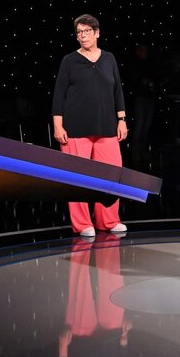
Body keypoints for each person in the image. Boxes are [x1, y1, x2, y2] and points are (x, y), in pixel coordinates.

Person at [52, 14, 128, 237]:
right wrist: (58, 126)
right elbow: (58, 95)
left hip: (107, 127)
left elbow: (117, 91)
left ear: (97, 33)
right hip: (75, 128)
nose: (83, 36)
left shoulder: (109, 59)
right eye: (79, 32)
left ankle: (109, 220)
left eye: (87, 31)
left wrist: (121, 119)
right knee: (78, 178)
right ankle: (83, 224)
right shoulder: (69, 61)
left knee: (112, 175)